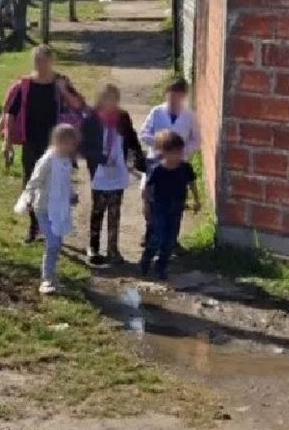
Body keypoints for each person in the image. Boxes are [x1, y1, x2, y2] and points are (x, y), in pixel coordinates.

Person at [1, 45, 85, 243]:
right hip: (31, 140)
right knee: (32, 182)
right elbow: (10, 114)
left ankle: (54, 226)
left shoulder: (61, 81)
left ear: (51, 61)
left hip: (58, 143)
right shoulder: (24, 85)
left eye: (45, 60)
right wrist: (7, 142)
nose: (41, 65)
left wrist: (64, 91)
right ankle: (34, 226)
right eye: (38, 61)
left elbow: (78, 105)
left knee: (58, 184)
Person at [79, 84, 144, 265]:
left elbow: (132, 138)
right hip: (99, 171)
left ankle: (113, 249)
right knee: (98, 209)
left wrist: (139, 157)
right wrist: (99, 158)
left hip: (118, 169)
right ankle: (93, 247)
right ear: (100, 99)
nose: (111, 102)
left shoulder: (122, 117)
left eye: (114, 98)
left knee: (115, 211)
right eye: (107, 98)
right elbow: (83, 146)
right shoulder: (91, 118)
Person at [15, 124, 80, 295]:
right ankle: (46, 280)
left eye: (73, 144)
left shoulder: (65, 160)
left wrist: (72, 194)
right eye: (68, 144)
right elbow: (34, 181)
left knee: (56, 244)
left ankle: (52, 275)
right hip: (43, 208)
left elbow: (65, 182)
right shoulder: (47, 160)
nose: (71, 148)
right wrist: (27, 198)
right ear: (58, 142)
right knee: (53, 243)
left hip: (58, 209)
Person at [139, 130, 200, 280]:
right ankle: (146, 259)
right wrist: (146, 206)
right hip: (159, 207)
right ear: (164, 152)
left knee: (171, 239)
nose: (178, 155)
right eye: (174, 152)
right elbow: (147, 188)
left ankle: (161, 267)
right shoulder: (158, 170)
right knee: (158, 236)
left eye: (180, 152)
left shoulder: (185, 168)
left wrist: (196, 199)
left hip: (176, 207)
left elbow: (192, 183)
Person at [139, 79, 198, 158]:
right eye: (171, 97)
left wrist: (181, 150)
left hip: (179, 161)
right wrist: (161, 144)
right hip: (157, 158)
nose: (173, 100)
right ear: (166, 95)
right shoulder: (157, 111)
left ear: (183, 97)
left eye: (177, 97)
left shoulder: (190, 116)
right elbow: (144, 134)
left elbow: (196, 140)